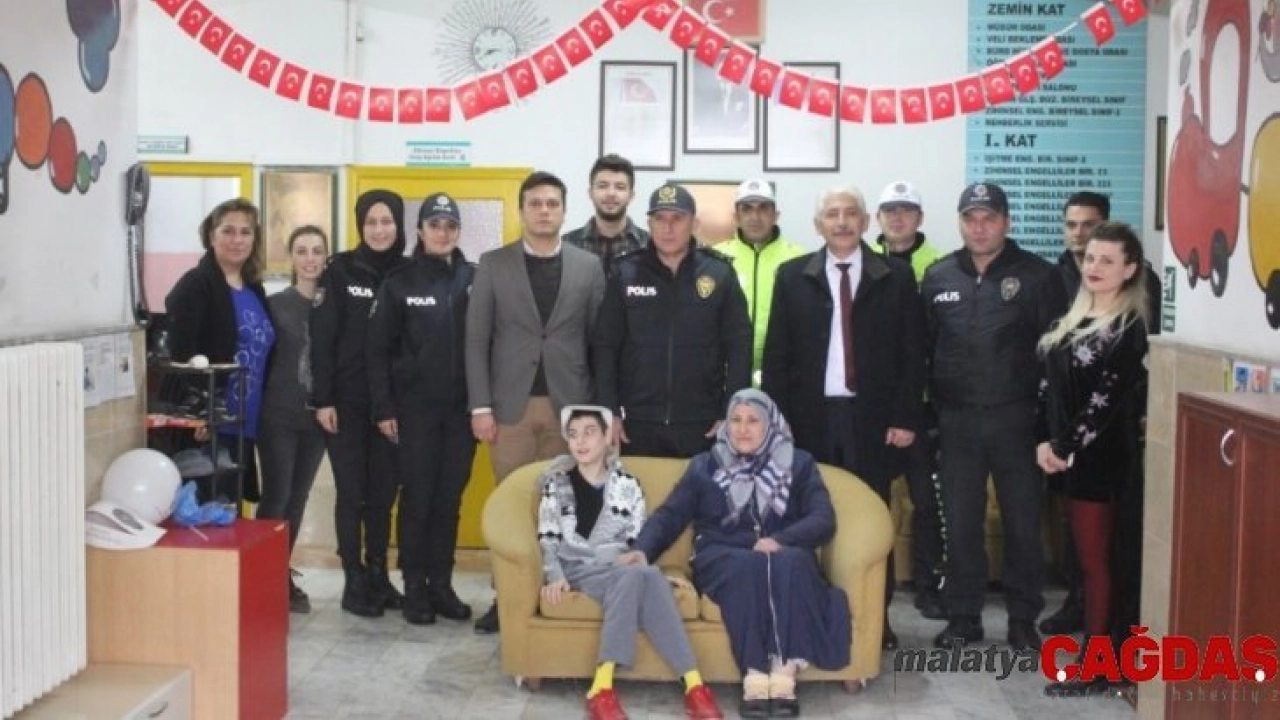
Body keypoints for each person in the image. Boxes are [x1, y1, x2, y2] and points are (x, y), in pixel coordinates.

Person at [762, 184, 925, 651]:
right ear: (819, 225)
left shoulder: (895, 276)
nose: (841, 222)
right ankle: (812, 612)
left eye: (850, 213)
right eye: (832, 214)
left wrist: (905, 416)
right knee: (808, 515)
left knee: (872, 516)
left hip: (872, 420)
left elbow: (913, 353)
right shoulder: (793, 276)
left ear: (866, 222)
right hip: (809, 419)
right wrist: (777, 422)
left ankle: (876, 618)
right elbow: (777, 355)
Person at [622, 389, 850, 719]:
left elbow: (822, 518)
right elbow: (670, 515)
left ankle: (784, 673)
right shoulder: (705, 466)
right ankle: (754, 676)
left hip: (782, 552)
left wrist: (780, 539)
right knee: (746, 566)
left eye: (753, 421)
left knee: (793, 561)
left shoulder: (799, 464)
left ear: (770, 424)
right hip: (722, 553)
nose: (743, 429)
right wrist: (642, 550)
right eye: (736, 420)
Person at [921, 182, 1068, 651]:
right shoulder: (939, 276)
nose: (979, 227)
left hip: (1017, 422)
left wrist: (1050, 429)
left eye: (989, 218)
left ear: (1006, 222)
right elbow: (924, 350)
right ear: (960, 223)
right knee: (962, 525)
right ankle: (964, 616)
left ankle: (1022, 619)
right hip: (957, 423)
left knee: (1022, 525)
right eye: (970, 218)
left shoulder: (1039, 276)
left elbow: (1056, 357)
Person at [465, 170, 606, 633]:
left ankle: (556, 593)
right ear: (522, 210)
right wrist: (480, 406)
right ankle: (505, 598)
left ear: (564, 211)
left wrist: (596, 412)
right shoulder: (493, 264)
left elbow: (598, 342)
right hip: (510, 408)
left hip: (570, 409)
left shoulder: (588, 266)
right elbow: (477, 339)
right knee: (512, 506)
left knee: (562, 506)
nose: (544, 212)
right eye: (535, 204)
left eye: (552, 204)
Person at [537, 406, 724, 720]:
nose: (580, 441)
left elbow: (636, 543)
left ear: (607, 438)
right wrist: (554, 574)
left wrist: (650, 571)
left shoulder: (628, 485)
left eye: (589, 433)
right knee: (640, 576)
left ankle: (612, 687)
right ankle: (688, 685)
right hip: (578, 568)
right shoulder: (556, 483)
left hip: (619, 568)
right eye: (573, 434)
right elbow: (548, 535)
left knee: (638, 574)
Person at [1042, 191, 1163, 637]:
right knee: (1086, 562)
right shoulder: (1076, 317)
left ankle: (1099, 660)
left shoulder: (1129, 326)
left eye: (1107, 261)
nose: (1094, 266)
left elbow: (1104, 401)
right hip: (1070, 460)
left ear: (1129, 270)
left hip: (1102, 462)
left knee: (1100, 566)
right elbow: (1049, 387)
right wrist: (1044, 440)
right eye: (1091, 258)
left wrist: (1063, 446)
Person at [368, 193, 477, 626]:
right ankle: (414, 587)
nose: (442, 233)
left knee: (449, 500)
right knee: (417, 500)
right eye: (435, 225)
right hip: (414, 412)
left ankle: (441, 585)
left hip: (461, 413)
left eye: (450, 226)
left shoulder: (474, 279)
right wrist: (383, 408)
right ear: (420, 230)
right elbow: (377, 351)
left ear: (458, 231)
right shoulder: (399, 282)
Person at [592, 183, 752, 458]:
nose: (668, 228)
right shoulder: (626, 272)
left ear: (694, 224)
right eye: (660, 219)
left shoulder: (719, 273)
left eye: (677, 218)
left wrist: (731, 410)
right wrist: (609, 409)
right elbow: (605, 345)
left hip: (702, 422)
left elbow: (739, 346)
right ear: (649, 224)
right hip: (636, 420)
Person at [311, 189, 409, 618]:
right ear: (359, 225)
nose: (379, 230)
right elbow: (322, 339)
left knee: (383, 494)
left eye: (387, 221)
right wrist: (323, 400)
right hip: (346, 404)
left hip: (392, 407)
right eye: (371, 222)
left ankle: (378, 575)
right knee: (352, 493)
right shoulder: (340, 271)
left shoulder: (410, 272)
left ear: (399, 225)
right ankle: (353, 580)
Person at [165, 198, 276, 508]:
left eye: (245, 232)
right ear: (211, 236)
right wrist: (199, 413)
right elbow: (181, 354)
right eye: (228, 231)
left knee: (230, 508)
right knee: (205, 511)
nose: (237, 240)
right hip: (209, 425)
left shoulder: (254, 289)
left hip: (244, 421)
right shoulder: (196, 284)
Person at [871, 181, 948, 621]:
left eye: (906, 210)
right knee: (873, 499)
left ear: (919, 218)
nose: (897, 218)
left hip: (923, 405)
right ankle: (871, 584)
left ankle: (928, 584)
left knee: (927, 500)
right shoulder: (860, 261)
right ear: (878, 218)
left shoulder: (939, 266)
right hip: (875, 405)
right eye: (890, 210)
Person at [256, 225, 328, 614]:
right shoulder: (275, 305)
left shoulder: (332, 305)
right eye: (302, 251)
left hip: (316, 420)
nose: (310, 258)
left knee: (298, 499)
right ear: (291, 258)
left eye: (317, 251)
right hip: (278, 416)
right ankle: (262, 575)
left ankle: (280, 572)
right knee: (277, 496)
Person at [715, 178, 805, 382]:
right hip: (727, 375)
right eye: (746, 209)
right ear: (736, 217)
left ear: (776, 215)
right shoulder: (716, 259)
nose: (755, 217)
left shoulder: (799, 259)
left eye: (763, 208)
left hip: (782, 373)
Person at [562, 154, 651, 276]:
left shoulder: (649, 245)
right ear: (590, 193)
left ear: (631, 196)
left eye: (620, 187)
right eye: (602, 186)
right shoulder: (567, 245)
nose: (611, 193)